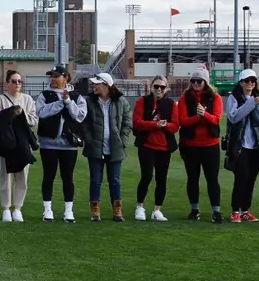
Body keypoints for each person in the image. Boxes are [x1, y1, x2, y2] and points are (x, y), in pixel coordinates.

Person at [35, 67, 86, 222]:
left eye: (56, 76)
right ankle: (47, 209)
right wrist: (60, 103)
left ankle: (68, 210)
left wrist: (68, 102)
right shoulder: (44, 95)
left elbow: (80, 116)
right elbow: (41, 112)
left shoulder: (77, 96)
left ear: (66, 78)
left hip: (69, 144)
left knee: (68, 177)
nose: (53, 79)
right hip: (48, 144)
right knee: (48, 176)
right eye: (51, 76)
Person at [173, 67, 224, 222]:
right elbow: (182, 121)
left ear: (205, 82)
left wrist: (205, 115)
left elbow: (216, 119)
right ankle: (194, 209)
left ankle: (216, 211)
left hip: (210, 144)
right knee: (192, 178)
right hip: (190, 144)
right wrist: (198, 117)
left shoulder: (215, 98)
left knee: (212, 179)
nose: (196, 83)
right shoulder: (184, 98)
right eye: (193, 81)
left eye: (199, 81)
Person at [81, 73, 133, 221]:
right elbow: (84, 123)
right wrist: (89, 140)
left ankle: (117, 211)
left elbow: (127, 123)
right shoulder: (89, 101)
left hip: (115, 147)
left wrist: (122, 141)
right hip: (95, 147)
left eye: (97, 84)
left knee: (115, 180)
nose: (94, 86)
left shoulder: (121, 101)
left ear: (106, 85)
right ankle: (95, 211)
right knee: (95, 180)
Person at [0, 70, 38, 223]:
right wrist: (10, 113)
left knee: (22, 177)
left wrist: (22, 113)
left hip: (23, 144)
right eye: (14, 81)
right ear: (7, 83)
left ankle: (18, 208)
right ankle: (5, 209)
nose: (17, 84)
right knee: (5, 176)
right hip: (6, 144)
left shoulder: (28, 99)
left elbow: (34, 120)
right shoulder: (0, 99)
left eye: (19, 81)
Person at [223, 69, 259, 223]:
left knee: (251, 179)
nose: (250, 83)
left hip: (255, 146)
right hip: (240, 145)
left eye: (252, 81)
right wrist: (251, 103)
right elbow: (234, 117)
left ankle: (246, 210)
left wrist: (256, 105)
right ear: (241, 82)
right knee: (241, 178)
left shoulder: (258, 99)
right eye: (247, 80)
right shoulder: (233, 98)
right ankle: (235, 210)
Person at [131, 75, 177, 221]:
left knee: (161, 179)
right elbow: (137, 122)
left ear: (166, 89)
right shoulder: (142, 101)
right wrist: (154, 125)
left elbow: (175, 126)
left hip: (164, 147)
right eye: (156, 86)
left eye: (162, 87)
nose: (159, 89)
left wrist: (165, 126)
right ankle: (140, 206)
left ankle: (157, 209)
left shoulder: (171, 104)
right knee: (146, 176)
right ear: (151, 87)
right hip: (146, 145)